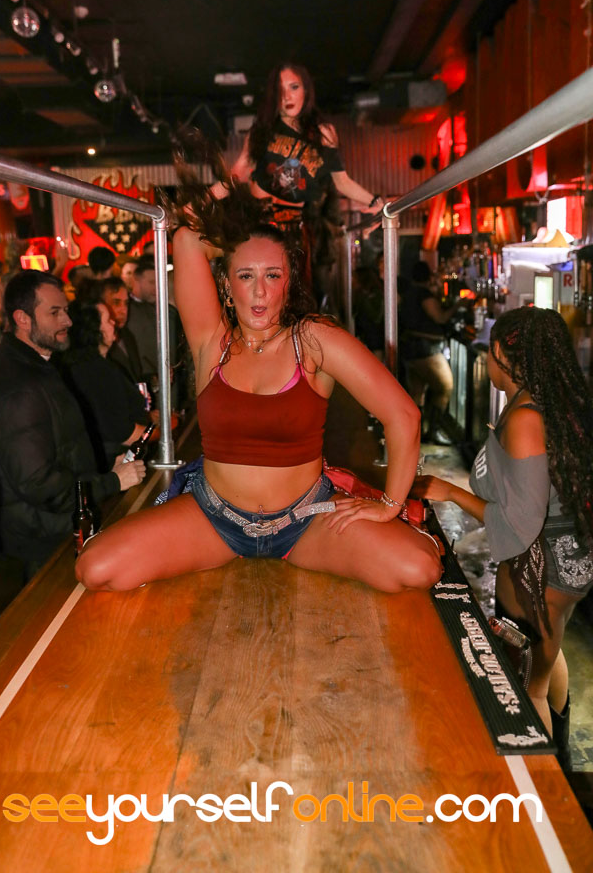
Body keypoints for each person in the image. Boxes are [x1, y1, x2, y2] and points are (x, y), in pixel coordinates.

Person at [76, 184, 441, 596]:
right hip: (214, 520)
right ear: (226, 285)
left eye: (273, 275)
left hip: (307, 522)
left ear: (289, 282)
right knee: (95, 568)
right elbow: (186, 238)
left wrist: (389, 506)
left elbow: (403, 415)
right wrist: (233, 202)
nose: (260, 290)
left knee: (419, 567)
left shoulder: (314, 340)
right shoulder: (211, 342)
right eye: (246, 275)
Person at [412, 307, 593, 768]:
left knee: (527, 689)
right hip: (568, 559)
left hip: (542, 567)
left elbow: (521, 520)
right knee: (546, 657)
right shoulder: (546, 402)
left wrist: (449, 492)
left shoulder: (526, 418)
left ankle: (547, 790)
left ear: (499, 353)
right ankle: (564, 758)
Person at [0, 271, 145, 610]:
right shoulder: (18, 385)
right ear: (22, 319)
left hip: (53, 530)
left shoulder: (36, 365)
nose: (67, 320)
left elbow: (60, 444)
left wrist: (103, 464)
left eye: (65, 310)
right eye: (55, 312)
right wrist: (110, 481)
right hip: (44, 541)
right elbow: (39, 483)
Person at [212, 63, 385, 275]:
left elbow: (342, 181)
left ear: (306, 90)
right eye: (280, 90)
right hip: (256, 223)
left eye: (294, 87)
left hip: (293, 229)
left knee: (288, 286)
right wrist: (205, 199)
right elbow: (239, 171)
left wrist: (376, 202)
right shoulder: (261, 131)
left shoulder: (323, 133)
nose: (287, 96)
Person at [62, 301, 157, 470]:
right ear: (94, 331)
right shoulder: (96, 371)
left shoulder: (94, 364)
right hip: (116, 464)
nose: (113, 322)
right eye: (107, 320)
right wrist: (163, 431)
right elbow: (123, 433)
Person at [400, 260, 462, 445]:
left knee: (416, 394)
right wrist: (458, 305)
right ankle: (433, 432)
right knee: (444, 387)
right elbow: (440, 317)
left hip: (411, 348)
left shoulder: (409, 293)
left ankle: (413, 436)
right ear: (428, 276)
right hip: (426, 349)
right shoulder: (423, 294)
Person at [126, 255, 158, 377]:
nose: (156, 288)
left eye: (158, 283)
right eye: (151, 282)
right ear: (136, 280)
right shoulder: (126, 310)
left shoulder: (159, 309)